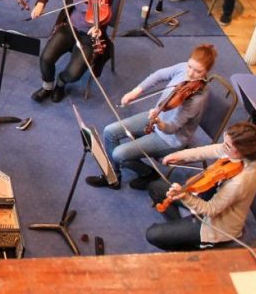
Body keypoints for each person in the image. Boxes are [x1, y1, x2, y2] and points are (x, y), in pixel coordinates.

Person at [87, 44, 216, 190]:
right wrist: (135, 92)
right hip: (157, 114)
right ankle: (113, 176)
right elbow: (159, 75)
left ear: (207, 71)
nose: (191, 74)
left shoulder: (197, 99)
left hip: (170, 138)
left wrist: (159, 123)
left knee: (118, 154)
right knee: (109, 131)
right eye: (190, 67)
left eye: (198, 71)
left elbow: (172, 127)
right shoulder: (183, 68)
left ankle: (148, 173)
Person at [145, 122, 256, 251]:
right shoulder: (234, 151)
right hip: (209, 197)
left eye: (227, 145)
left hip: (216, 224)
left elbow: (210, 210)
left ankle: (191, 247)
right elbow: (208, 150)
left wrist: (186, 196)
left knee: (153, 234)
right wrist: (178, 155)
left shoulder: (241, 181)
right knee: (155, 187)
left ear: (242, 151)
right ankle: (181, 230)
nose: (223, 147)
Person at [29, 0, 116, 103]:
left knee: (74, 73)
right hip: (69, 28)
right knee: (46, 58)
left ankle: (61, 84)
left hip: (89, 37)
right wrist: (40, 4)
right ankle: (48, 86)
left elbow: (104, 14)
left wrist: (98, 28)